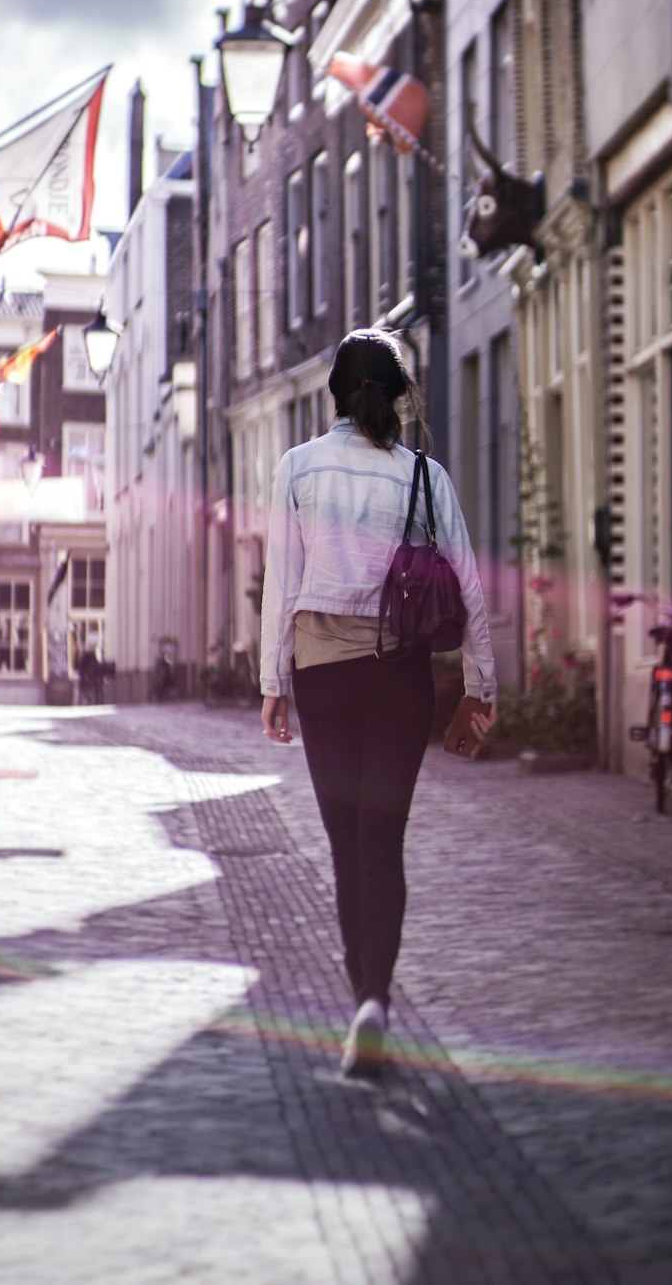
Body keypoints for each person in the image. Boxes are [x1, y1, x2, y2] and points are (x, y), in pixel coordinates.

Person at [260, 329, 497, 1077]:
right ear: (398, 398)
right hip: (402, 677)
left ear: (333, 396)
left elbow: (281, 588)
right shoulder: (425, 477)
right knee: (382, 844)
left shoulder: (297, 469)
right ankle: (375, 1002)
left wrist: (275, 683)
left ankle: (362, 998)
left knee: (343, 845)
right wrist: (482, 688)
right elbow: (471, 588)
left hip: (324, 676)